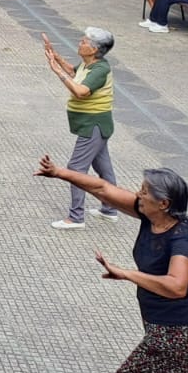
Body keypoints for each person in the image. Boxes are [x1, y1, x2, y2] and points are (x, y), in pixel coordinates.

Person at [35, 158, 188, 373]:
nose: (138, 194)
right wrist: (59, 172)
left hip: (179, 331)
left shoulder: (181, 239)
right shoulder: (150, 216)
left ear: (164, 203)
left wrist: (128, 274)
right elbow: (103, 189)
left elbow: (177, 286)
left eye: (144, 192)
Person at [43, 28, 121, 230]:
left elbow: (81, 91)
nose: (80, 42)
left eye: (85, 41)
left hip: (93, 125)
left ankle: (76, 217)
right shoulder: (89, 65)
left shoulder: (100, 70)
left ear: (94, 49)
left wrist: (56, 71)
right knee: (104, 168)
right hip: (94, 125)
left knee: (76, 168)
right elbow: (74, 73)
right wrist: (55, 56)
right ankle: (110, 209)